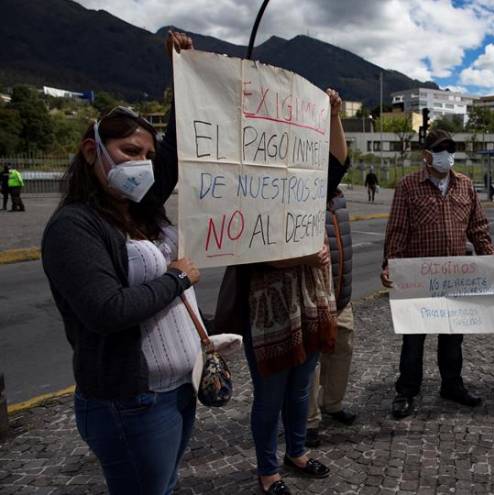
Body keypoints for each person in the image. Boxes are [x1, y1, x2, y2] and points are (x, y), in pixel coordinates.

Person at [40, 31, 215, 495]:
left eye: (146, 155)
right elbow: (106, 310)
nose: (142, 163)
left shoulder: (140, 209)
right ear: (92, 150)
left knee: (165, 484)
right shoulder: (73, 228)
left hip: (179, 390)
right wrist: (178, 277)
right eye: (129, 152)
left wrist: (183, 74)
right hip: (131, 402)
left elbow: (176, 155)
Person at [238, 89, 349, 495]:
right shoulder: (248, 190)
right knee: (270, 397)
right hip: (269, 310)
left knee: (301, 389)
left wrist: (334, 115)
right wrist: (302, 258)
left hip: (310, 303)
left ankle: (297, 452)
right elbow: (250, 254)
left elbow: (339, 160)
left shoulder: (310, 185)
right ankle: (268, 471)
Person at [381, 129, 494, 419]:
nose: (446, 154)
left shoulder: (465, 185)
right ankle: (407, 390)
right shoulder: (408, 186)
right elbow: (397, 231)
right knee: (413, 339)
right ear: (426, 155)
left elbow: (477, 227)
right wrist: (389, 264)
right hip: (418, 277)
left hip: (456, 277)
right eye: (439, 149)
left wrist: (490, 255)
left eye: (450, 149)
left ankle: (452, 385)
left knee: (453, 338)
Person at [305, 186, 357, 447]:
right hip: (315, 298)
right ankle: (309, 420)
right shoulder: (303, 194)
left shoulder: (339, 197)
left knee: (343, 349)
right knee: (312, 362)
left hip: (342, 296)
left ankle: (333, 404)